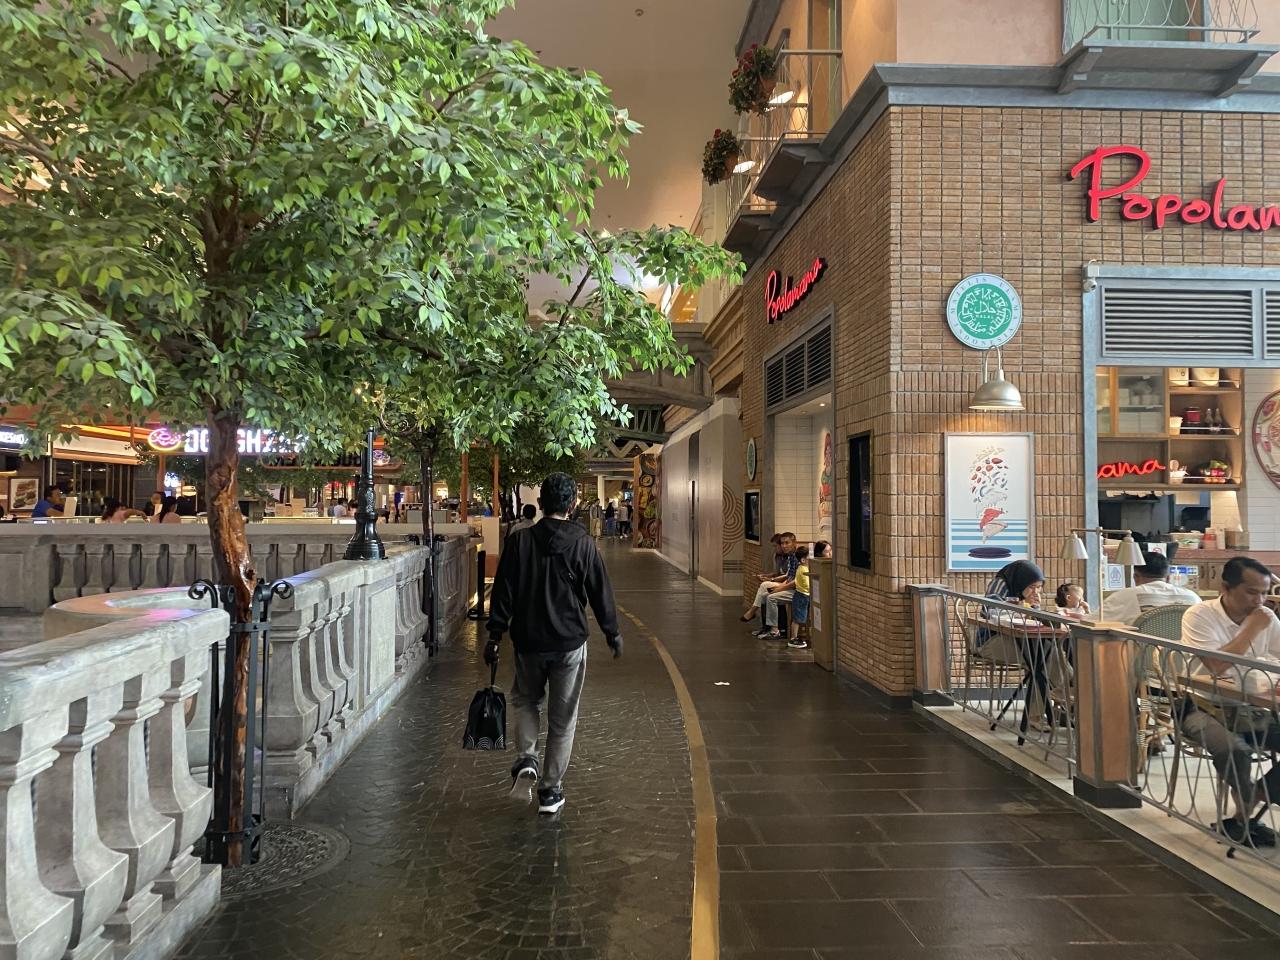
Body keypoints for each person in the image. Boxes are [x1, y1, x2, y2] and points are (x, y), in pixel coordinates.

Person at [485, 472, 622, 816]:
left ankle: (526, 758)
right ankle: (550, 791)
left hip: (528, 640)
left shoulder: (519, 542)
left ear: (541, 503)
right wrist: (612, 633)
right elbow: (600, 591)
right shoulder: (584, 544)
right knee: (563, 719)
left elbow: (503, 592)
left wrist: (495, 633)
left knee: (525, 700)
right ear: (572, 504)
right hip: (569, 643)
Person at [1179, 557, 1280, 846]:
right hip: (1201, 706)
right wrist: (1251, 628)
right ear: (1225, 588)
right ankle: (1244, 811)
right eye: (1251, 592)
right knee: (1232, 749)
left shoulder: (1266, 617)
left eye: (1264, 593)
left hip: (1254, 708)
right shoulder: (1199, 615)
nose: (1259, 601)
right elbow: (1215, 665)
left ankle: (1255, 796)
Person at [1101, 552, 1200, 626]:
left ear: (1135, 577)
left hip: (1143, 648)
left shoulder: (1124, 596)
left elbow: (1095, 622)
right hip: (1185, 648)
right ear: (1168, 578)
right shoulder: (1193, 597)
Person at [740, 532, 798, 639]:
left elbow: (795, 581)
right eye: (782, 543)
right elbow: (789, 577)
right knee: (764, 595)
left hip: (797, 590)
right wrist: (773, 582)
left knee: (769, 595)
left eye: (787, 543)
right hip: (788, 585)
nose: (784, 546)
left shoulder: (797, 557)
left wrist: (777, 587)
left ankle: (774, 630)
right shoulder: (789, 556)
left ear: (794, 543)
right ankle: (767, 627)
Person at [787, 545, 812, 649]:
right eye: (809, 557)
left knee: (799, 617)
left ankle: (795, 638)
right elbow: (807, 584)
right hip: (802, 596)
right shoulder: (803, 570)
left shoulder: (804, 568)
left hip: (803, 595)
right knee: (797, 618)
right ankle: (793, 639)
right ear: (803, 560)